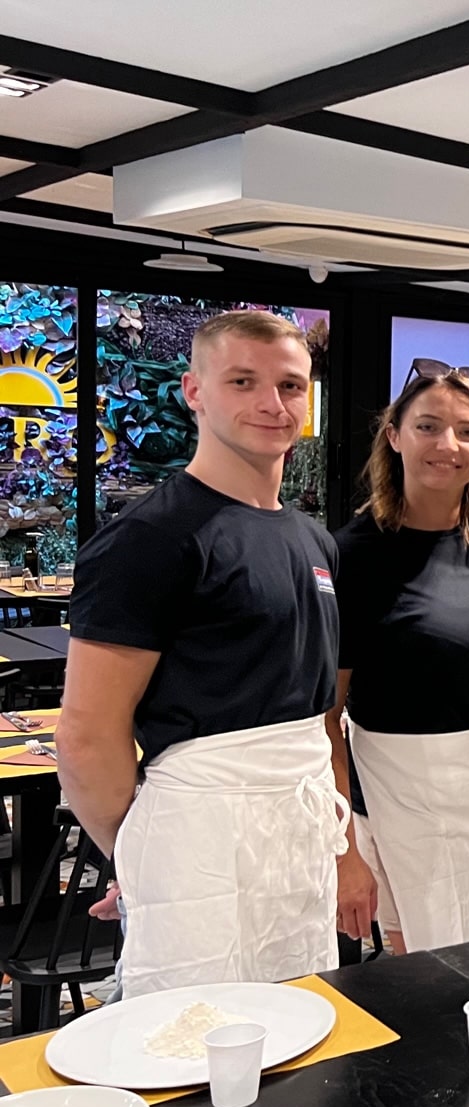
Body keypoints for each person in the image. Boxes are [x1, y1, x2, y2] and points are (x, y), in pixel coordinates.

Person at [59, 310, 355, 998]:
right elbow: (87, 734)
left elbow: (317, 713)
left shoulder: (313, 540)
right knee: (193, 1033)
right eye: (242, 381)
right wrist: (140, 855)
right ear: (194, 391)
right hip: (199, 832)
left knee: (299, 1018)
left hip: (300, 831)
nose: (271, 403)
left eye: (290, 385)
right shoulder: (150, 539)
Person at [328, 362, 469, 954]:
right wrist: (343, 850)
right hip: (407, 796)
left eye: (468, 432)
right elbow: (326, 719)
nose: (448, 445)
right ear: (394, 435)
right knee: (430, 964)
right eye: (428, 426)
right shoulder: (352, 557)